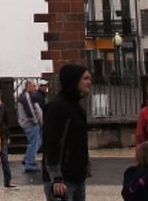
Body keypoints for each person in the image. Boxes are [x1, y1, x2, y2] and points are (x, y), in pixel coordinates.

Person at [42, 64, 91, 201]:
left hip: (77, 176)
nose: (89, 82)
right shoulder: (57, 107)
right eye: (85, 78)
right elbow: (52, 143)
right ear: (74, 80)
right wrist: (56, 177)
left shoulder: (77, 107)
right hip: (62, 180)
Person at [17, 79, 43, 173]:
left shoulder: (29, 96)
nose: (35, 88)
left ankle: (28, 159)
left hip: (31, 123)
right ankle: (29, 163)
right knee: (34, 143)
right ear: (28, 86)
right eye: (33, 86)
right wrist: (36, 121)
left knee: (37, 142)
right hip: (30, 124)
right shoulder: (26, 97)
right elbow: (30, 111)